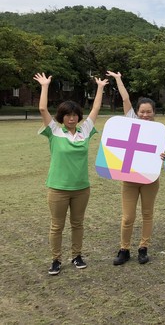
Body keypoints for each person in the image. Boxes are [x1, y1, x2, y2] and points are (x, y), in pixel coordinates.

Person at [34, 72, 108, 275]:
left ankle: (77, 256)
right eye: (68, 115)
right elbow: (42, 108)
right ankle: (56, 260)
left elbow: (96, 108)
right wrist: (45, 85)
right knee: (57, 226)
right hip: (58, 188)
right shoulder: (54, 131)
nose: (72, 118)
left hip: (81, 188)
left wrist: (100, 87)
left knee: (78, 224)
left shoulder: (85, 131)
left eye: (75, 115)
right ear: (62, 117)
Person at [106, 71, 161, 266]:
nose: (145, 115)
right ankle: (124, 249)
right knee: (128, 216)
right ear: (136, 112)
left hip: (149, 180)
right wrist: (119, 79)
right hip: (129, 179)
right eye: (142, 111)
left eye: (149, 112)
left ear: (154, 112)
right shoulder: (131, 122)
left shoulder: (161, 131)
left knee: (147, 214)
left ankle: (143, 248)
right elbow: (125, 98)